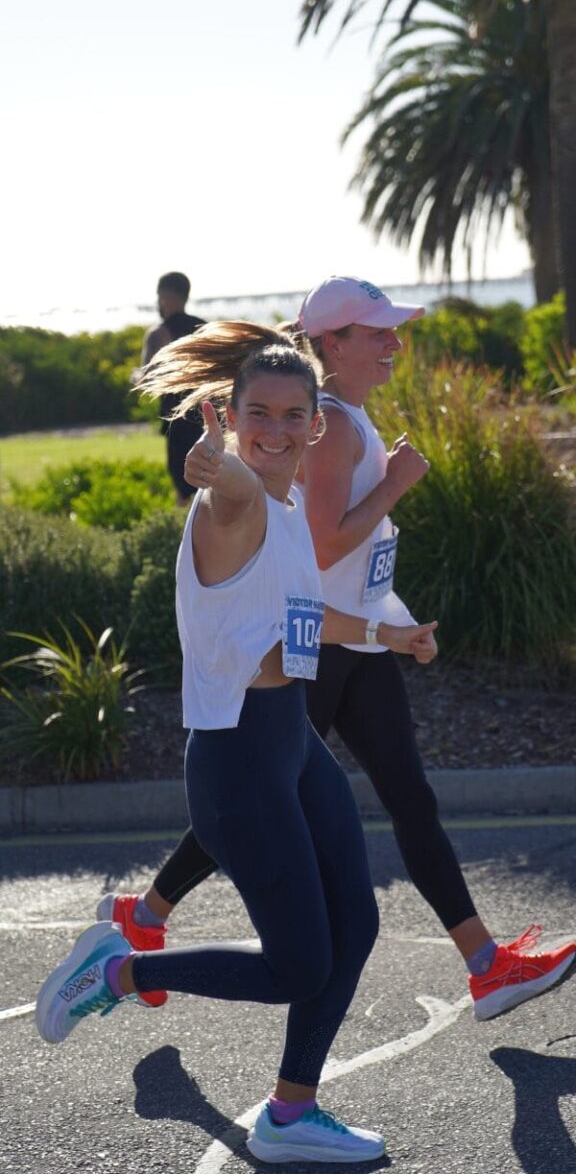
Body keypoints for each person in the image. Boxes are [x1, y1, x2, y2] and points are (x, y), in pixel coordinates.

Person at [99, 277, 576, 1023]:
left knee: (390, 802)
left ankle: (483, 965)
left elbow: (317, 553)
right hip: (308, 645)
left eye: (392, 331)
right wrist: (391, 488)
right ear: (330, 345)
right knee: (266, 800)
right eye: (374, 332)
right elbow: (309, 535)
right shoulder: (336, 430)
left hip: (341, 638)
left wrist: (389, 627)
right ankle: (142, 928)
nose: (393, 342)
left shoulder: (340, 420)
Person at [36, 322, 440, 1164]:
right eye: (260, 413)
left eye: (296, 415)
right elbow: (227, 492)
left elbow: (296, 614)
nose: (279, 430)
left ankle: (290, 1114)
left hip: (290, 743)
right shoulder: (239, 500)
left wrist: (385, 635)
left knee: (355, 925)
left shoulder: (289, 507)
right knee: (297, 966)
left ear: (316, 424)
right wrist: (217, 466)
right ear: (228, 412)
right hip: (238, 767)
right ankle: (119, 971)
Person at [141, 271, 205, 505]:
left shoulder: (158, 334)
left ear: (165, 297)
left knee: (182, 489)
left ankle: (183, 536)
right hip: (208, 420)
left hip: (177, 422)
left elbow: (147, 380)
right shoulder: (205, 329)